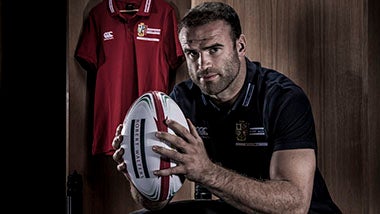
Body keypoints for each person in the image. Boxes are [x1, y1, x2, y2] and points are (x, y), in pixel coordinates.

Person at [112, 2, 342, 213]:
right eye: (192, 53)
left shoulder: (282, 98)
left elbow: (295, 205)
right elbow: (156, 202)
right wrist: (137, 170)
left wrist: (206, 172)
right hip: (235, 207)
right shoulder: (181, 101)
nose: (203, 64)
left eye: (214, 49)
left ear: (240, 46)